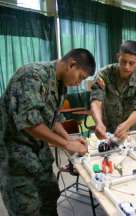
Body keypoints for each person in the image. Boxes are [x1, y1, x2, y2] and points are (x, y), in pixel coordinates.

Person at [0, 48, 96, 215]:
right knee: (26, 207)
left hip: (38, 150)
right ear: (72, 64)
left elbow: (53, 117)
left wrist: (70, 138)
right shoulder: (31, 76)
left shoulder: (60, 84)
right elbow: (30, 123)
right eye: (81, 77)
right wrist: (67, 144)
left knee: (50, 195)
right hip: (15, 155)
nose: (79, 83)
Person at [90, 40, 136, 140]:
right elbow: (96, 101)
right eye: (123, 61)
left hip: (130, 131)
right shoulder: (104, 75)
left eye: (131, 63)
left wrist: (126, 125)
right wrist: (98, 123)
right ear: (118, 57)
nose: (126, 66)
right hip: (106, 131)